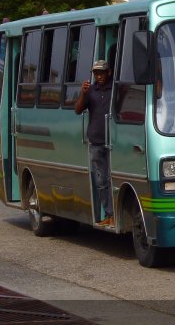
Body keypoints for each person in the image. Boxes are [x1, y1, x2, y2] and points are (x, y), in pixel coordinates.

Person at [75, 59, 114, 227]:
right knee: (101, 181)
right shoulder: (91, 91)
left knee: (114, 179)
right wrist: (83, 93)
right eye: (96, 73)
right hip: (96, 142)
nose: (99, 76)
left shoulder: (116, 89)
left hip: (114, 143)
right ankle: (109, 214)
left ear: (108, 73)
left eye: (102, 73)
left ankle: (115, 215)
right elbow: (77, 110)